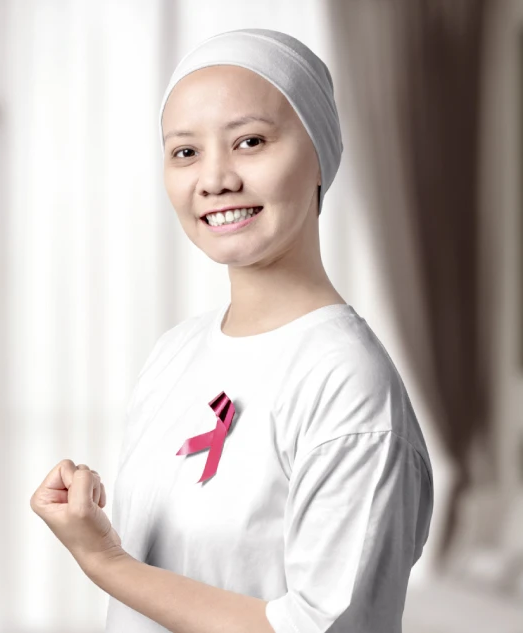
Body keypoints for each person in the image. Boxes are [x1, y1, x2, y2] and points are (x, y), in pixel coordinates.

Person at [30, 28, 434, 633]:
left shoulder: (349, 383)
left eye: (249, 141)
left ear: (319, 151)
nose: (215, 179)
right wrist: (97, 527)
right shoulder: (176, 353)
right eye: (185, 152)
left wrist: (103, 559)